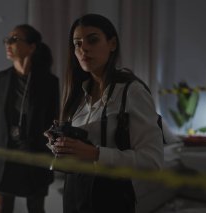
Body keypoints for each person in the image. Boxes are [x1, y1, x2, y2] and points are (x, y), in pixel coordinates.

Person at [45, 14, 164, 213]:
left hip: (111, 198)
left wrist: (95, 154)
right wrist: (60, 143)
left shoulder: (131, 91)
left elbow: (153, 162)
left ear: (112, 43)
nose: (83, 49)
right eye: (77, 44)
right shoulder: (78, 94)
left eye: (92, 40)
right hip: (74, 194)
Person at [0, 24, 59, 213]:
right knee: (2, 209)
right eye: (7, 39)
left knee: (36, 209)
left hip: (34, 157)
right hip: (4, 157)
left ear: (32, 46)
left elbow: (53, 122)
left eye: (14, 39)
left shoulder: (49, 83)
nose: (8, 43)